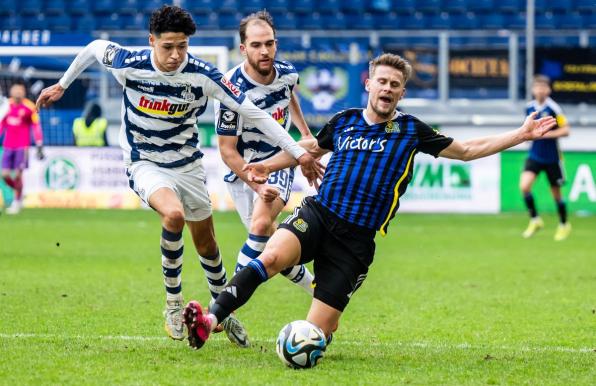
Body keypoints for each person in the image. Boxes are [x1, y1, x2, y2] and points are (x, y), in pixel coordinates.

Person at [182, 53, 556, 352]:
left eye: (396, 85)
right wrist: (266, 163)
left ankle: (319, 331)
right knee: (271, 258)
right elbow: (309, 148)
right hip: (319, 214)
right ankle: (209, 322)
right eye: (382, 82)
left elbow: (469, 149)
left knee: (319, 333)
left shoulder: (412, 130)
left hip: (356, 242)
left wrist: (521, 134)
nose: (388, 89)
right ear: (368, 84)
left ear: (402, 93)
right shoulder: (344, 121)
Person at [36, 5, 320, 347]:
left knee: (208, 245)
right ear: (152, 41)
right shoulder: (129, 64)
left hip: (188, 165)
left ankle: (222, 313)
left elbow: (257, 115)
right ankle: (173, 303)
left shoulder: (204, 75)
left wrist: (301, 153)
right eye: (168, 47)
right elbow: (96, 47)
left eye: (182, 46)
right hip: (145, 162)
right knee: (172, 214)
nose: (175, 55)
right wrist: (63, 84)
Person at [215, 11, 315, 295]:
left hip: (278, 160)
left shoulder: (287, 73)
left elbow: (289, 94)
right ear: (243, 49)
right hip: (243, 170)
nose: (265, 51)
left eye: (269, 43)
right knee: (268, 240)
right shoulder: (230, 91)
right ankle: (318, 290)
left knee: (260, 224)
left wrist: (304, 133)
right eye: (257, 45)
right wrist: (254, 185)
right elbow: (227, 151)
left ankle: (226, 301)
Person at [520, 75, 571, 241]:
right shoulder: (529, 108)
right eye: (537, 87)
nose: (540, 90)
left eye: (543, 87)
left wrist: (546, 134)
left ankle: (564, 224)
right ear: (533, 90)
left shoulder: (554, 109)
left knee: (556, 195)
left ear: (548, 90)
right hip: (535, 155)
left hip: (552, 158)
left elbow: (566, 130)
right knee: (525, 186)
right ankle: (535, 220)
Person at [1, 80, 44, 214]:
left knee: (18, 176)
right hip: (8, 146)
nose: (17, 92)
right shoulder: (6, 106)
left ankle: (17, 202)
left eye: (20, 90)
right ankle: (19, 193)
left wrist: (39, 144)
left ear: (24, 92)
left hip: (22, 147)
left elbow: (36, 126)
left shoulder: (30, 107)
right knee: (5, 175)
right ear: (11, 91)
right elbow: (2, 125)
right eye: (15, 90)